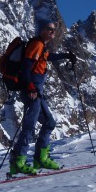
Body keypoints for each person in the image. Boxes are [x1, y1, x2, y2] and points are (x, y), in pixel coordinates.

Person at [9, 19, 77, 175]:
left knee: (49, 122)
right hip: (32, 90)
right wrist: (31, 87)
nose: (53, 32)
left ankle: (40, 158)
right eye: (50, 29)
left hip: (36, 90)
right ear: (41, 30)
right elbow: (26, 67)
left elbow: (48, 57)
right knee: (29, 126)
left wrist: (66, 56)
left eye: (54, 29)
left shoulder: (41, 46)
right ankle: (19, 161)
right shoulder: (36, 45)